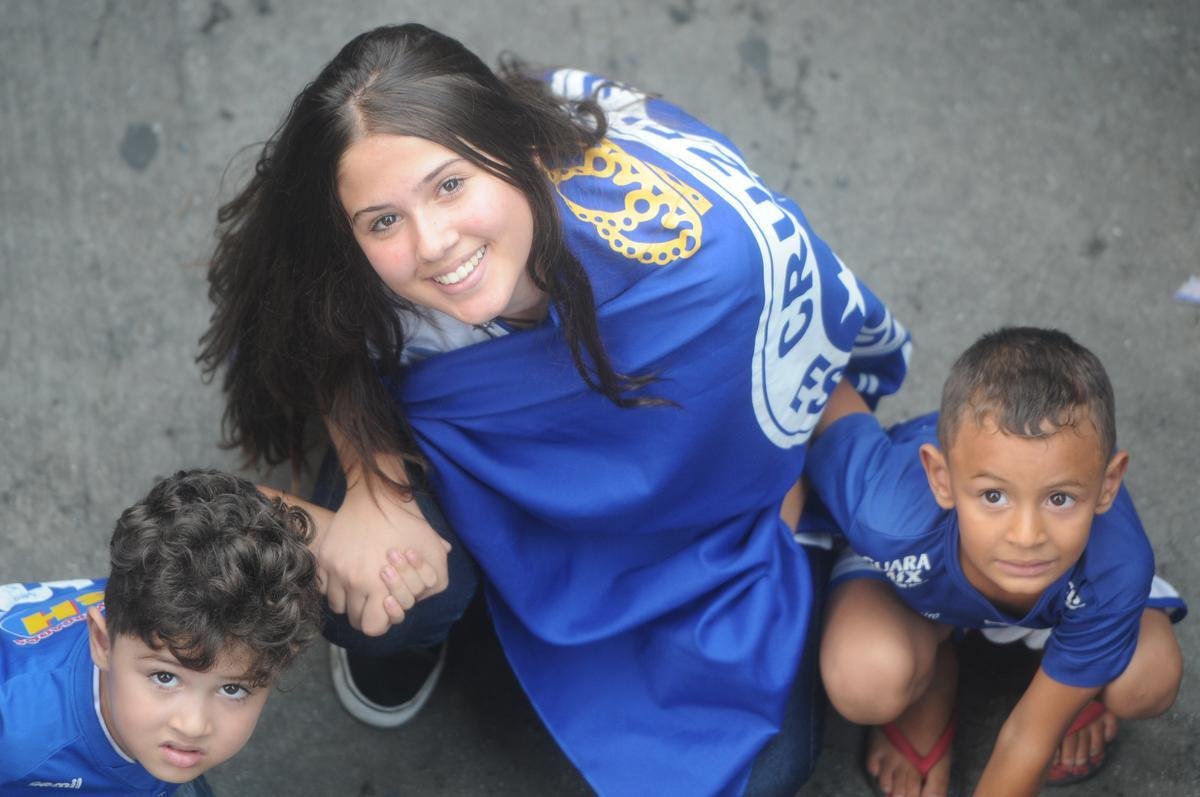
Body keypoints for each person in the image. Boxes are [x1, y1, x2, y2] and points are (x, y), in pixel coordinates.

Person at [198, 23, 911, 796]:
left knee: (766, 769)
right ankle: (416, 635)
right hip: (469, 462)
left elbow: (786, 397)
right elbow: (320, 340)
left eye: (450, 184)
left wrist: (777, 502)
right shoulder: (361, 256)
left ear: (517, 149)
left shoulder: (715, 274)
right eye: (383, 220)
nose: (433, 243)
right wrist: (374, 485)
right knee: (388, 585)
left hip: (686, 516)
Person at [805, 327, 1185, 797]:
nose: (1026, 536)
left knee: (1148, 679)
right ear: (940, 478)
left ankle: (1070, 680)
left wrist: (1049, 713)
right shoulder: (887, 510)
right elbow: (814, 389)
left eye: (1060, 498)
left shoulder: (1115, 566)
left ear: (1108, 485)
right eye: (993, 495)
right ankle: (938, 664)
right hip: (910, 582)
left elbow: (1029, 737)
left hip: (1074, 595)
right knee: (863, 678)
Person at [0, 469, 323, 796]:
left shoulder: (149, 608)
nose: (193, 725)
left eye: (232, 689)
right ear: (102, 642)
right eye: (165, 677)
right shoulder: (19, 734)